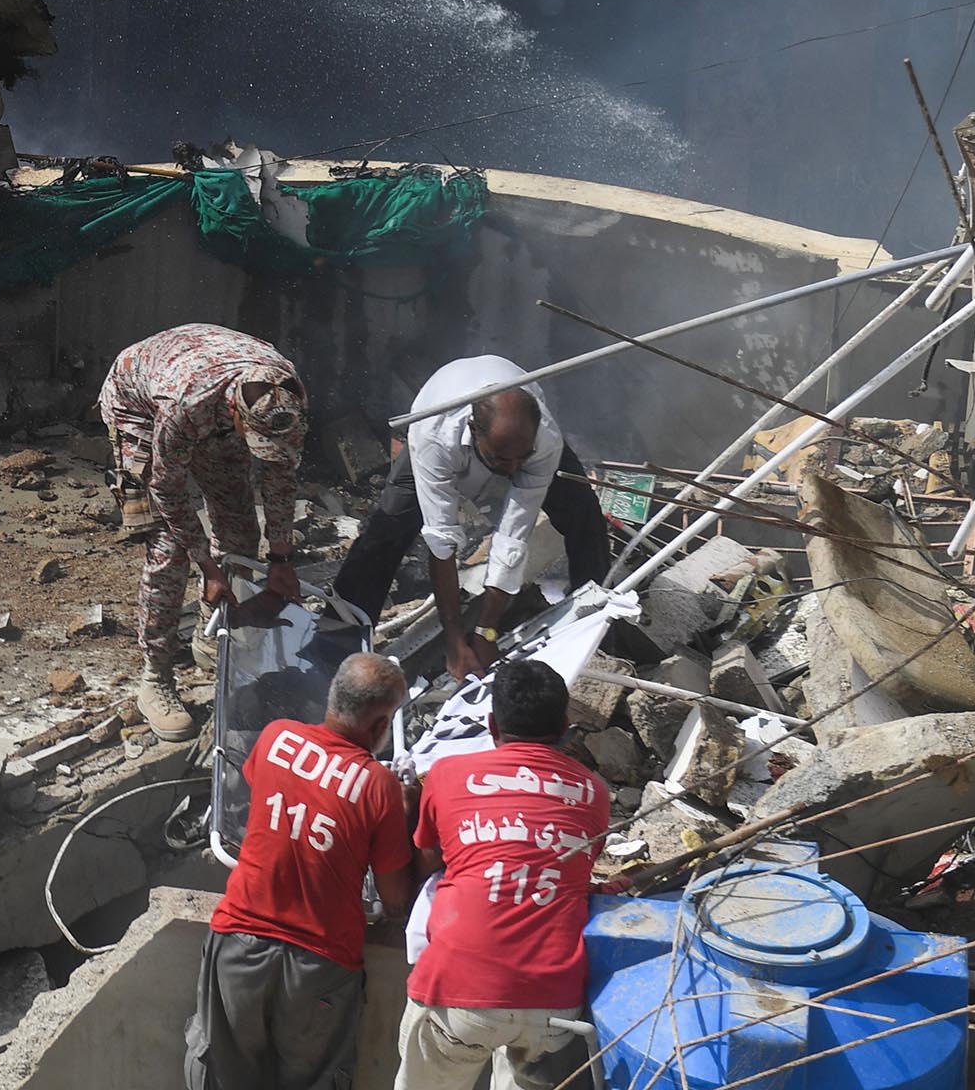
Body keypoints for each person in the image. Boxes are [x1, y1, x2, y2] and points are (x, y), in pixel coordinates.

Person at [191, 654, 418, 1090]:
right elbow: (394, 900)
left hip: (239, 942)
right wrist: (405, 819)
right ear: (377, 726)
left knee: (222, 1073)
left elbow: (286, 808)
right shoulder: (379, 785)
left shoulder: (276, 737)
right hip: (320, 963)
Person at [395, 661, 609, 1090]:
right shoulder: (593, 793)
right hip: (554, 1000)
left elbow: (428, 857)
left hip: (458, 989)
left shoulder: (447, 775)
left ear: (492, 723)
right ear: (566, 726)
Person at [329, 358, 611, 678]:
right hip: (436, 425)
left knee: (583, 510)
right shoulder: (434, 438)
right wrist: (454, 640)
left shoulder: (542, 441)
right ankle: (336, 638)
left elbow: (512, 537)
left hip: (517, 438)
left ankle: (596, 621)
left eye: (523, 458)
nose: (515, 468)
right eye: (503, 458)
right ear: (473, 430)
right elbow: (442, 541)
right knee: (388, 527)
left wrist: (485, 632)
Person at [97, 324, 311, 742]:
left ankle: (211, 630)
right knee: (169, 548)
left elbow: (280, 475)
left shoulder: (287, 391)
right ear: (236, 413)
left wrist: (282, 559)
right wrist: (208, 565)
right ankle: (155, 677)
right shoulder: (186, 404)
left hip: (206, 394)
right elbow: (167, 489)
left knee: (240, 529)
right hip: (140, 403)